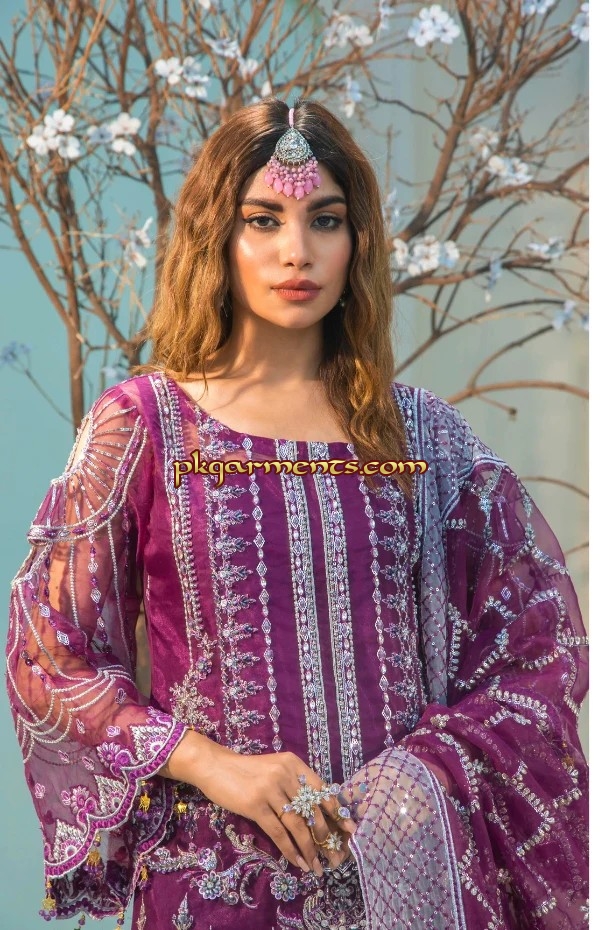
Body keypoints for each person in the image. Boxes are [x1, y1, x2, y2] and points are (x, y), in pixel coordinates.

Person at [6, 98, 588, 930]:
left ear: (358, 242)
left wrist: (416, 785)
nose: (297, 251)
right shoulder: (144, 426)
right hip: (212, 885)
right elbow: (47, 655)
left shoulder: (420, 437)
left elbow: (536, 652)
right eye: (263, 220)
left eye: (325, 220)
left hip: (404, 878)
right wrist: (212, 765)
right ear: (218, 236)